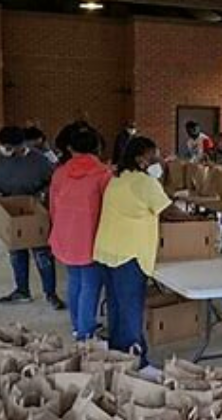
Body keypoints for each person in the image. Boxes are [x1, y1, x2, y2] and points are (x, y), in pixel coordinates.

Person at [94, 136, 181, 376]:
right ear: (140, 159)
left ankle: (118, 354)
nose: (158, 160)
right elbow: (169, 211)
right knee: (131, 308)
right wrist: (198, 223)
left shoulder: (118, 178)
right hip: (129, 254)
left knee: (117, 306)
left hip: (108, 249)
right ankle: (137, 361)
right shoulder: (144, 183)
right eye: (153, 156)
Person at [49, 127, 112, 341]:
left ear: (70, 148)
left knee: (75, 280)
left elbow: (52, 207)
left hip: (64, 235)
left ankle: (78, 326)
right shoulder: (103, 174)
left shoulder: (60, 173)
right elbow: (110, 209)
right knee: (91, 285)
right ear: (97, 147)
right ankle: (86, 331)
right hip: (90, 237)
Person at [0, 126, 65, 309]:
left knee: (42, 254)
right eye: (5, 147)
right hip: (9, 211)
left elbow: (55, 180)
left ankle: (51, 294)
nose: (9, 151)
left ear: (22, 145)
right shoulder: (1, 157)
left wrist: (43, 194)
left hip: (35, 211)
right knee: (16, 252)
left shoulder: (40, 160)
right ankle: (22, 291)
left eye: (12, 148)